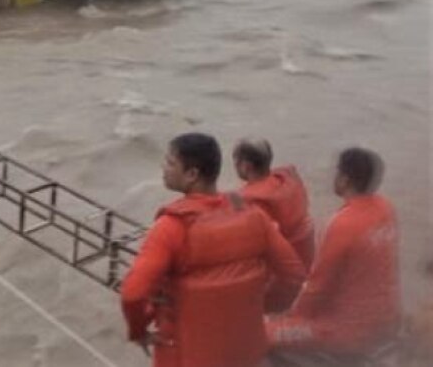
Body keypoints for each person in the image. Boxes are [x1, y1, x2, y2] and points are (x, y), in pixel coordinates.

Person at [121, 133, 306, 367]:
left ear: (192, 175)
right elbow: (294, 275)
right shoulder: (255, 217)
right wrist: (258, 306)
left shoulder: (170, 227)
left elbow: (133, 293)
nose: (163, 167)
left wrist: (139, 331)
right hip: (245, 352)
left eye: (169, 162)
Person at [267, 148, 401, 362]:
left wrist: (289, 320)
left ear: (345, 179)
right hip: (385, 319)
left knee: (259, 332)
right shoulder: (386, 209)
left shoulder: (341, 224)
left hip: (345, 331)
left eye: (336, 172)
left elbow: (317, 288)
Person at [235, 139, 317, 274]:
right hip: (306, 255)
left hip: (281, 271)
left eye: (236, 162)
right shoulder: (289, 180)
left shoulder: (250, 201)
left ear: (245, 166)